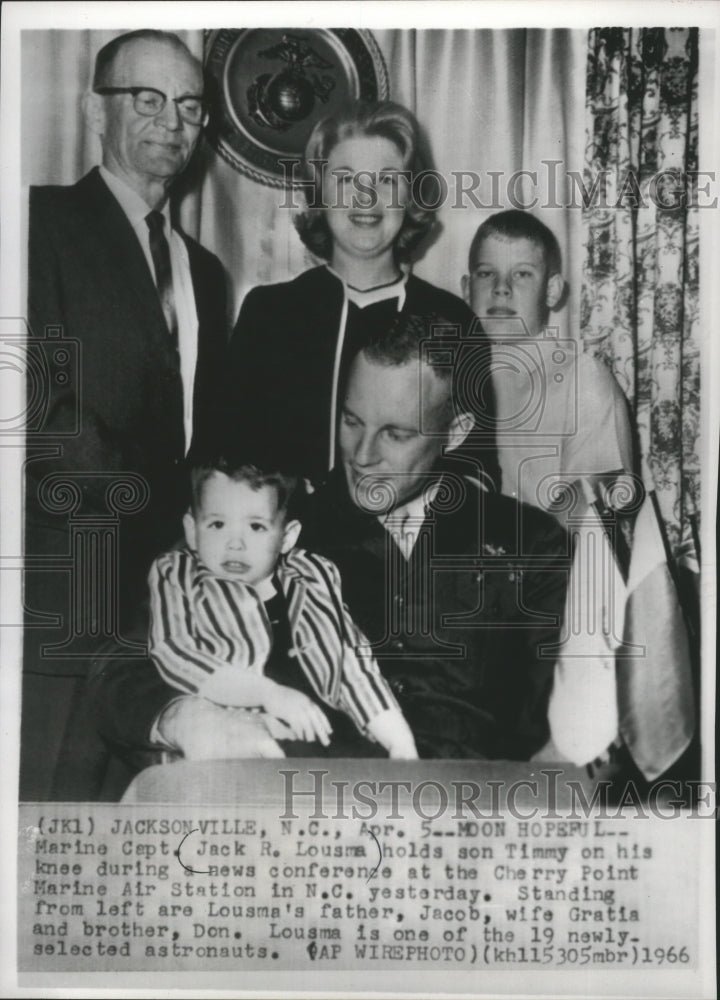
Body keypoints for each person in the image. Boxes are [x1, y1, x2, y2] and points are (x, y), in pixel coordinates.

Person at [91, 312, 569, 769]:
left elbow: (564, 721)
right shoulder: (272, 522)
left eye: (395, 434)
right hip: (308, 799)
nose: (362, 454)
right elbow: (120, 668)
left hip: (468, 806)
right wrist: (187, 718)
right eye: (351, 421)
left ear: (456, 432)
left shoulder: (531, 544)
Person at [24, 30, 229, 799]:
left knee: (132, 834)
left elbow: (207, 442)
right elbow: (39, 414)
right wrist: (165, 520)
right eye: (147, 99)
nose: (171, 122)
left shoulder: (205, 273)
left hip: (165, 622)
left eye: (189, 106)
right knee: (42, 833)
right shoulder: (35, 224)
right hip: (63, 604)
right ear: (93, 111)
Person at [226, 99, 496, 486]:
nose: (365, 197)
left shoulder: (453, 321)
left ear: (410, 195)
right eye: (346, 179)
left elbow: (477, 469)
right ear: (319, 194)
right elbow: (229, 457)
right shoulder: (269, 313)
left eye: (387, 180)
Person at [148, 456, 417, 758]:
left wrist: (399, 741)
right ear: (192, 529)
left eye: (256, 526)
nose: (235, 543)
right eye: (217, 524)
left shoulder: (313, 574)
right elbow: (176, 651)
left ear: (287, 537)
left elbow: (351, 663)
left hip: (330, 744)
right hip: (239, 746)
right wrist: (267, 694)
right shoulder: (179, 575)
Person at [461, 209, 633, 517]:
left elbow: (583, 515)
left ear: (552, 291)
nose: (501, 288)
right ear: (466, 288)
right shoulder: (449, 379)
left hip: (552, 547)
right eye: (486, 273)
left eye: (522, 274)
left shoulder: (582, 380)